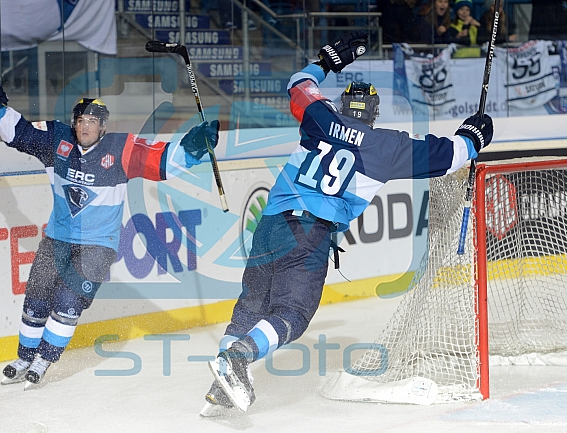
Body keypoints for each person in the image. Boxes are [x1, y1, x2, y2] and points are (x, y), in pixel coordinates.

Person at [201, 31, 493, 415]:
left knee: (251, 307)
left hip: (270, 224)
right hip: (309, 233)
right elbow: (449, 155)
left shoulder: (320, 117)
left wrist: (327, 61)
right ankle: (239, 359)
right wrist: (475, 133)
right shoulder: (386, 146)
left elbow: (299, 85)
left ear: (341, 104)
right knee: (293, 314)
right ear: (373, 113)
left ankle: (223, 383)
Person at [0, 68, 220, 388]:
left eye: (92, 121)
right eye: (80, 120)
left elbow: (162, 163)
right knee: (36, 297)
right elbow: (20, 134)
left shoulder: (121, 149)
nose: (84, 126)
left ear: (103, 126)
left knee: (68, 302)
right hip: (57, 238)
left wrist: (193, 147)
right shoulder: (57, 140)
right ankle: (24, 357)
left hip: (98, 245)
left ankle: (44, 360)